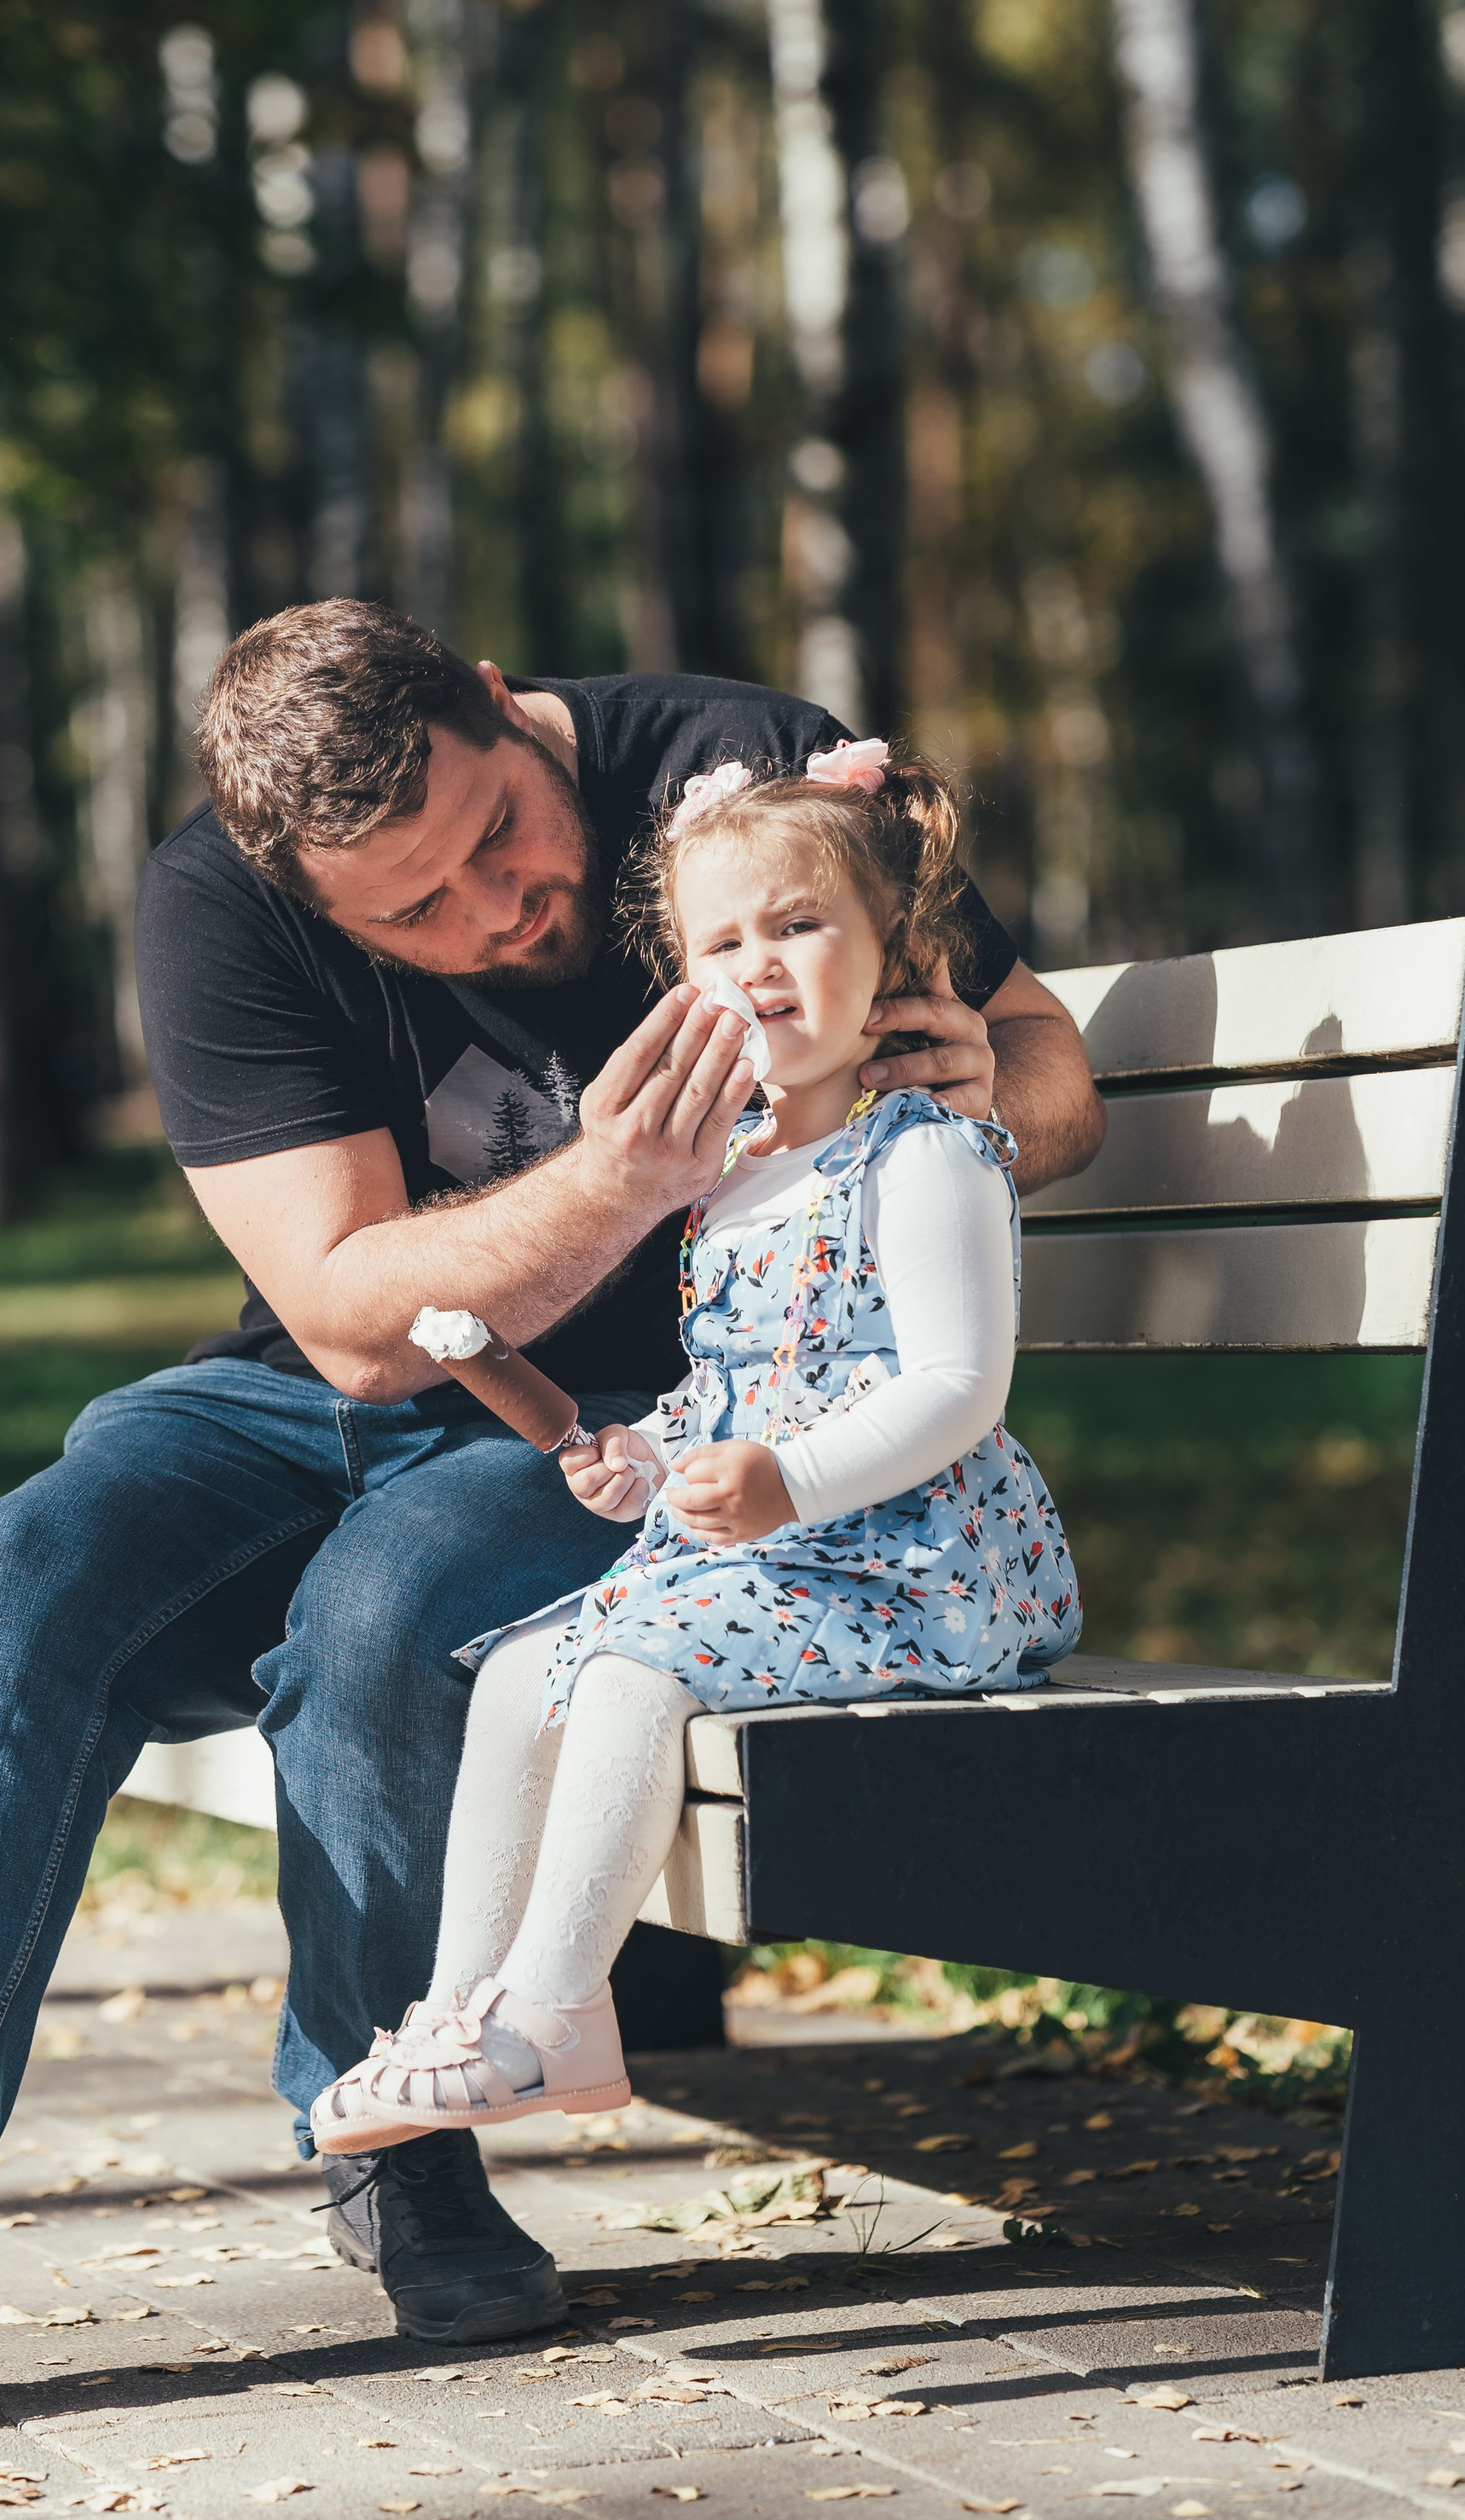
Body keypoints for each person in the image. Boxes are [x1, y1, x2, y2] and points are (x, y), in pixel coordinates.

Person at [0, 605, 1103, 2462]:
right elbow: (344, 1315)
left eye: (497, 840)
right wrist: (623, 1174)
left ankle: (400, 2136)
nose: (490, 917)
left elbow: (1048, 1065)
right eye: (410, 913)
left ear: (499, 705)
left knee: (388, 1604)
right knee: (29, 1571)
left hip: (617, 1434)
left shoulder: (728, 762)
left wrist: (975, 1096)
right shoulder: (215, 904)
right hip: (322, 1391)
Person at [306, 738, 1080, 2148]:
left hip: (914, 1565)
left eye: (799, 926)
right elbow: (736, 1384)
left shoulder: (925, 1152)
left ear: (896, 947)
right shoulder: (733, 1183)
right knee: (524, 1669)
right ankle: (475, 2006)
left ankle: (551, 2009)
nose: (761, 963)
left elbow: (961, 1386)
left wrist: (793, 1480)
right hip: (781, 1560)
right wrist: (647, 1458)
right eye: (723, 942)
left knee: (625, 1671)